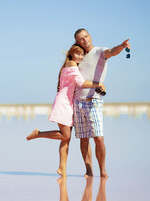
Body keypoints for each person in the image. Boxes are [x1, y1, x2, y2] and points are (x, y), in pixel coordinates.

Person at [26, 44, 105, 177]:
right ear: (71, 54)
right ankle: (38, 134)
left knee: (65, 139)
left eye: (82, 54)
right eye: (77, 54)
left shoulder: (69, 65)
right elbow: (81, 82)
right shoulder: (71, 64)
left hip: (68, 104)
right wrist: (99, 84)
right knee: (65, 136)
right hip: (63, 103)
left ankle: (62, 168)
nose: (80, 57)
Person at [73, 28, 131, 178]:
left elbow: (112, 52)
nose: (84, 40)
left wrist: (121, 46)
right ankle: (88, 170)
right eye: (81, 39)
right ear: (77, 42)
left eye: (85, 36)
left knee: (98, 137)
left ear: (90, 36)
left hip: (94, 100)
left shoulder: (100, 51)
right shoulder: (77, 57)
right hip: (77, 101)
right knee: (84, 138)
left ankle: (103, 171)